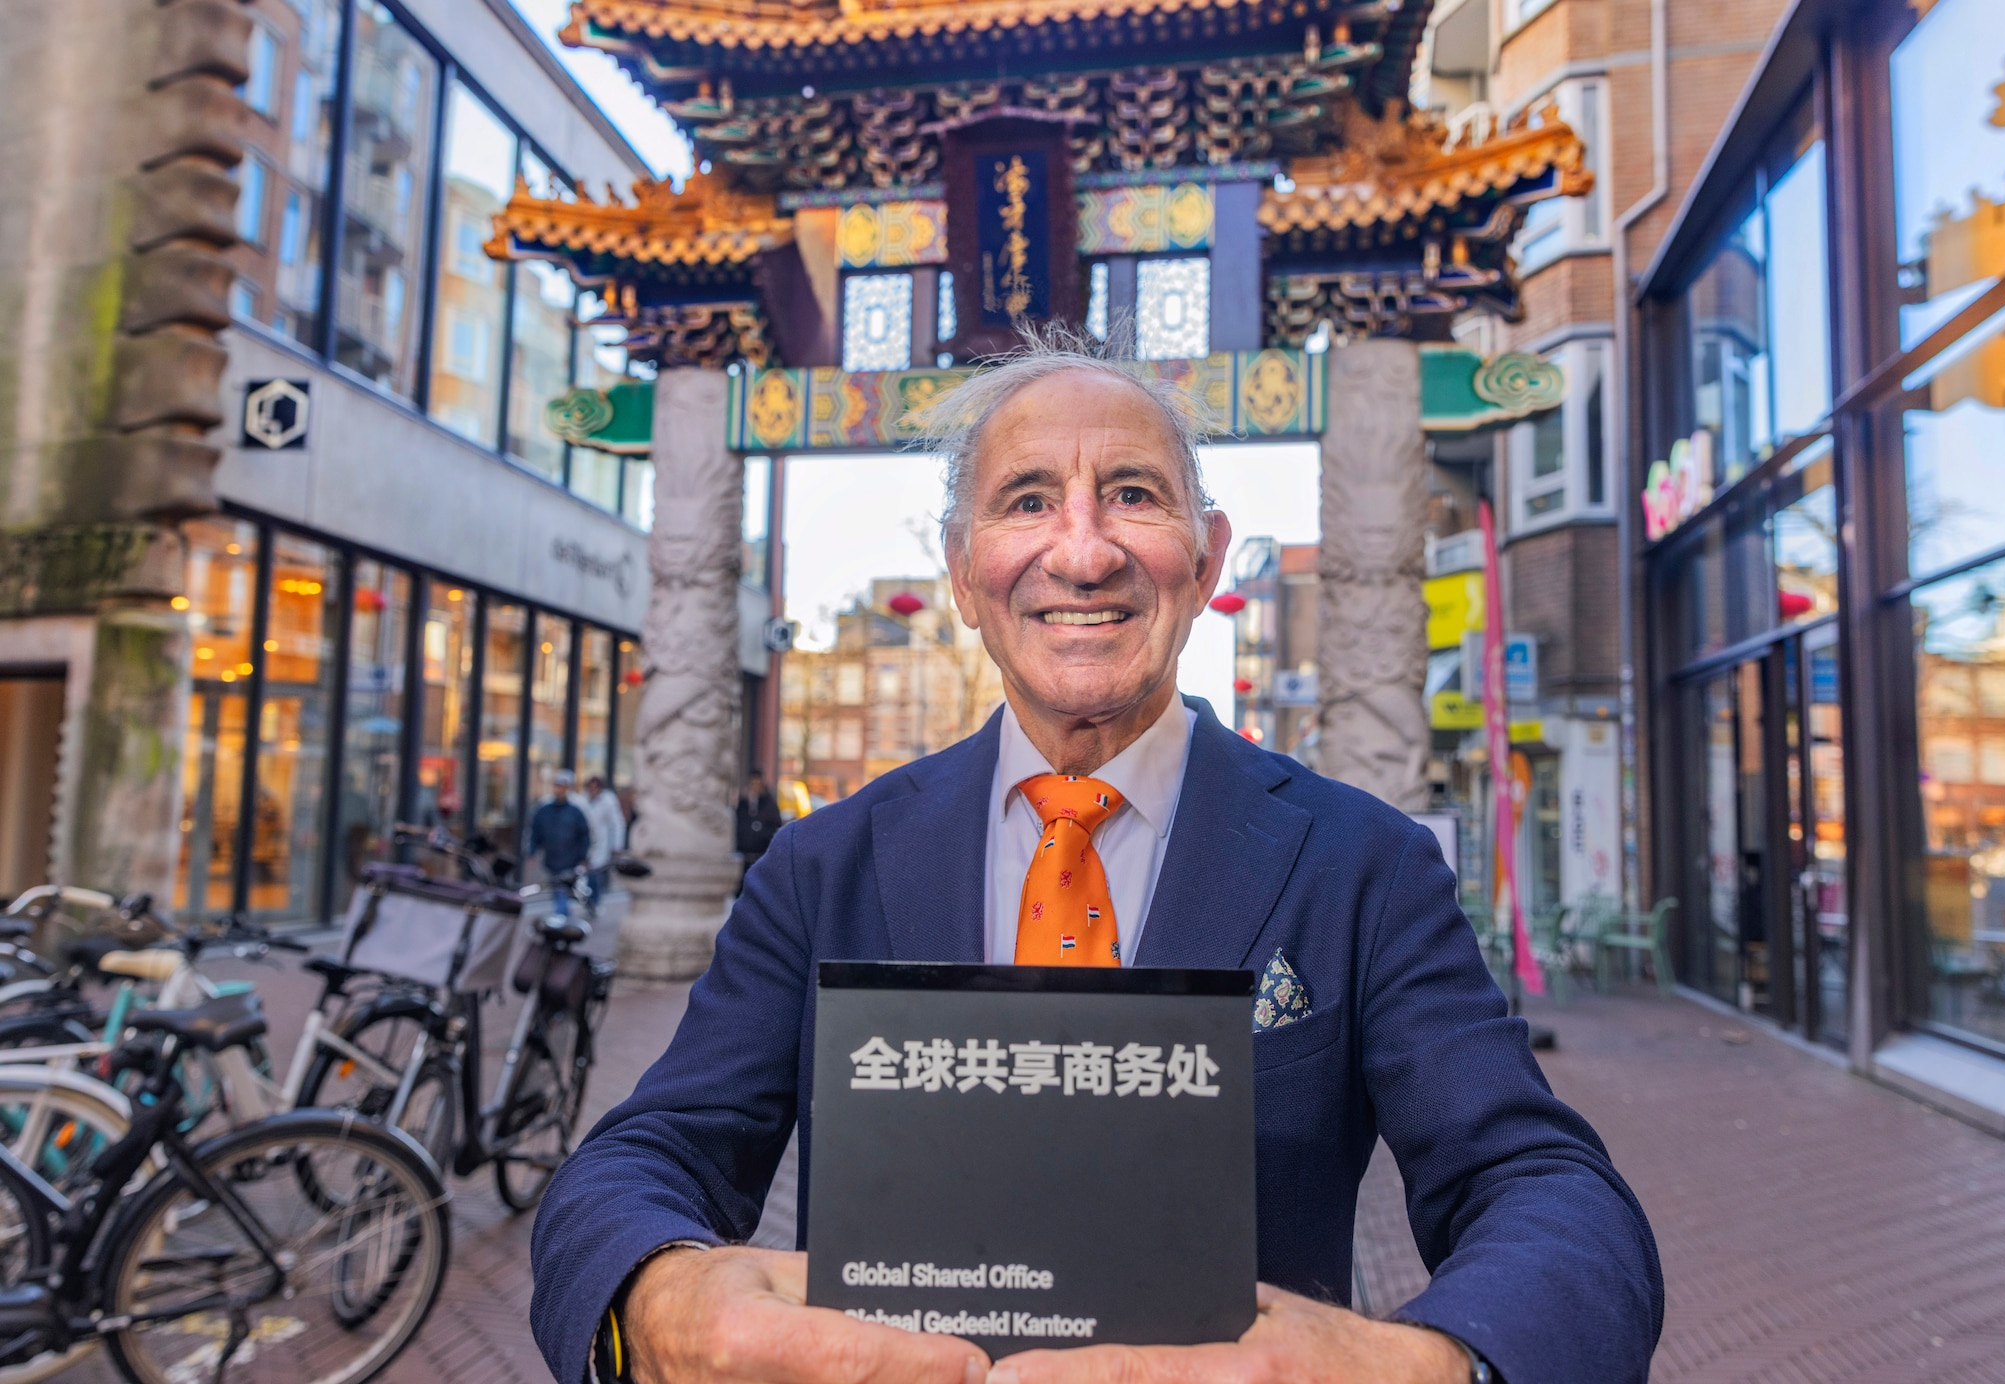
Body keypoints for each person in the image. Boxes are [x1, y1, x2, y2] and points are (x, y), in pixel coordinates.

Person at [530, 333, 1662, 1384]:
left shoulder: (1361, 866)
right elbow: (646, 1154)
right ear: (965, 572)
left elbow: (1548, 1191)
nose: (1082, 550)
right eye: (1027, 501)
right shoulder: (819, 867)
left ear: (1205, 556)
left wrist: (1426, 1365)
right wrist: (660, 1297)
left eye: (1132, 495)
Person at [526, 769, 591, 916]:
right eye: (557, 785)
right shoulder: (544, 809)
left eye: (562, 786)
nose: (559, 789)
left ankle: (560, 917)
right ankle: (562, 916)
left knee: (561, 890)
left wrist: (583, 857)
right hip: (551, 859)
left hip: (570, 859)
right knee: (558, 889)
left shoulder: (576, 811)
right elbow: (535, 831)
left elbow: (584, 835)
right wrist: (532, 850)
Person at [582, 775, 628, 904]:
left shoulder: (608, 800)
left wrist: (616, 845)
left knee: (595, 871)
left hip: (601, 842)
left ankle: (594, 900)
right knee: (585, 871)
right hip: (585, 841)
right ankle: (589, 899)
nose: (593, 790)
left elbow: (617, 824)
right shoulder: (582, 799)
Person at [734, 769, 784, 875]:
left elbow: (774, 826)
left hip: (761, 855)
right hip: (744, 856)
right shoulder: (743, 804)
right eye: (752, 783)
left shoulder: (769, 804)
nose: (755, 787)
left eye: (758, 783)